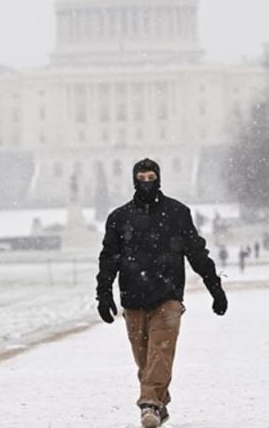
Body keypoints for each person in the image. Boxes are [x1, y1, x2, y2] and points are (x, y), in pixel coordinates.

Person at [96, 158, 227, 428]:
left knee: (161, 352)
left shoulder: (177, 213)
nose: (147, 183)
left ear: (158, 178)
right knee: (145, 359)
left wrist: (214, 287)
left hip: (168, 295)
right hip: (133, 297)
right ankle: (159, 400)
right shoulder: (119, 218)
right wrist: (104, 293)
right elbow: (109, 258)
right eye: (142, 178)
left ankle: (150, 404)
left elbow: (196, 253)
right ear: (134, 181)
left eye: (151, 178)